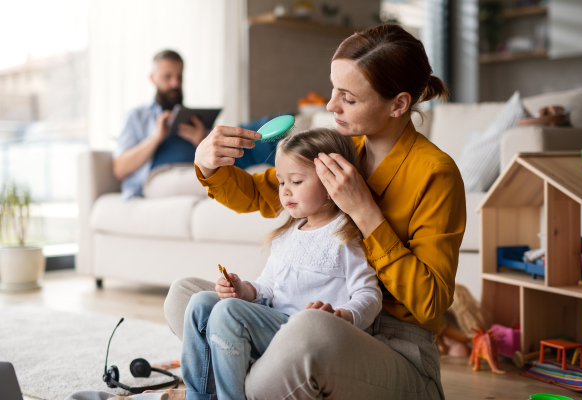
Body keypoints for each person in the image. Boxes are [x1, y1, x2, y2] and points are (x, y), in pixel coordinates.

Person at [161, 24, 467, 400]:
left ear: (399, 104)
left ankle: (252, 379)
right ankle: (253, 379)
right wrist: (208, 165)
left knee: (308, 331)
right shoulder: (338, 148)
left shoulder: (436, 173)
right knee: (187, 298)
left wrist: (366, 213)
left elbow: (430, 303)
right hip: (293, 319)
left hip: (392, 344)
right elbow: (265, 193)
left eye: (348, 98)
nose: (330, 105)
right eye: (333, 88)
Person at [179, 128, 382, 400]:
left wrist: (344, 315)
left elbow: (369, 293)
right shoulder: (287, 234)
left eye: (296, 182)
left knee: (227, 312)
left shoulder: (345, 235)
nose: (285, 192)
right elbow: (268, 287)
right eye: (281, 182)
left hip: (301, 335)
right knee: (200, 304)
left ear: (332, 184)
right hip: (272, 323)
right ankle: (199, 395)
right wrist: (243, 290)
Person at [112, 49, 207, 200]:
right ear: (153, 78)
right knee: (220, 181)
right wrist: (157, 137)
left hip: (194, 171)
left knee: (227, 176)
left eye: (179, 77)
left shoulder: (194, 119)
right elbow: (120, 168)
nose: (175, 83)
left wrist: (202, 142)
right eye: (167, 77)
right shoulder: (136, 116)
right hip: (160, 177)